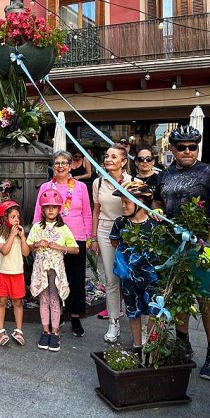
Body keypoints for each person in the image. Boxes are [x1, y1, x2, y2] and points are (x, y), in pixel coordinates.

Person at [153, 125, 210, 380]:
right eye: (181, 147)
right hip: (172, 244)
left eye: (192, 146)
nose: (187, 151)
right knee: (178, 294)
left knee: (206, 297)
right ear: (172, 149)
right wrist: (157, 214)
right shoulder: (163, 175)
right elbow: (156, 203)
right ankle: (183, 342)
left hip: (201, 245)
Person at [34, 150, 92, 337]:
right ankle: (54, 316)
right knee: (53, 279)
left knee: (75, 278)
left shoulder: (80, 187)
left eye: (64, 163)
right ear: (53, 166)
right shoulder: (45, 187)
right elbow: (37, 212)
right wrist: (37, 235)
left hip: (76, 238)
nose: (60, 166)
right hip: (50, 240)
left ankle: (74, 317)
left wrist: (89, 237)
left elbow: (87, 213)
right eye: (57, 163)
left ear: (70, 165)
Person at [90, 144, 137, 341]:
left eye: (113, 156)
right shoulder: (98, 183)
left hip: (129, 232)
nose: (108, 159)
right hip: (104, 231)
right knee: (111, 280)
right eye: (107, 156)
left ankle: (138, 322)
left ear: (124, 161)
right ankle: (113, 323)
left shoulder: (134, 182)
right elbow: (96, 210)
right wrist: (93, 238)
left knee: (132, 279)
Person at [109, 181, 160, 349]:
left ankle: (151, 346)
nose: (123, 206)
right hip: (129, 278)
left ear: (141, 202)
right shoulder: (120, 223)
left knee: (154, 310)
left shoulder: (155, 224)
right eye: (122, 202)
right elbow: (114, 241)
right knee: (133, 311)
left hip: (152, 278)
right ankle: (137, 345)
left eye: (127, 202)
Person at [27, 189, 78, 352]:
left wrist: (60, 247)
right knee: (44, 300)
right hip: (41, 270)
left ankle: (55, 333)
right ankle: (45, 331)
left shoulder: (63, 228)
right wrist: (36, 244)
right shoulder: (36, 227)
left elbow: (75, 249)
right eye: (47, 207)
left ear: (59, 209)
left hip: (56, 270)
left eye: (54, 207)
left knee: (55, 299)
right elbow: (28, 247)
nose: (51, 210)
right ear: (42, 209)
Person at [0, 200, 30, 346]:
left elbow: (26, 253)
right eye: (13, 217)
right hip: (2, 273)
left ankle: (18, 330)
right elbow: (5, 250)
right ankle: (1, 330)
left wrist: (22, 237)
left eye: (18, 217)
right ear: (4, 219)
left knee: (18, 302)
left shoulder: (19, 234)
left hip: (17, 273)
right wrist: (12, 235)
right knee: (1, 301)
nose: (17, 219)